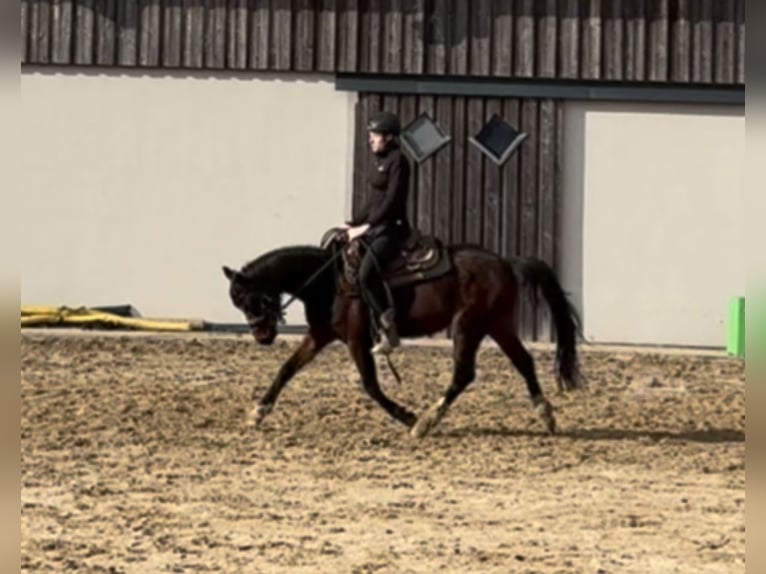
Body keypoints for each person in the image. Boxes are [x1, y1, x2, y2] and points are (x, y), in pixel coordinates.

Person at [342, 110, 412, 355]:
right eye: (370, 135)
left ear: (390, 138)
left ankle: (388, 329)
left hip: (392, 229)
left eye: (376, 135)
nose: (370, 140)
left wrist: (367, 226)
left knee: (366, 274)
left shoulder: (399, 162)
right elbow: (374, 200)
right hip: (376, 226)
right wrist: (353, 223)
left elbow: (391, 201)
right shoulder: (380, 162)